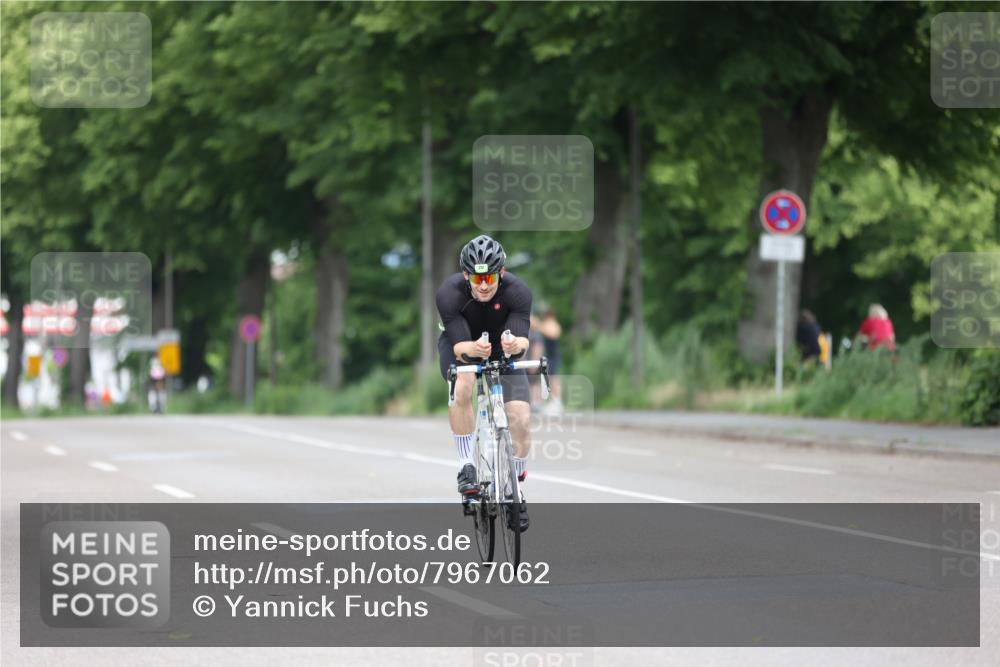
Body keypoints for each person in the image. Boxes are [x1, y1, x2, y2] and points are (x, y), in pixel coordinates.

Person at [436, 234, 532, 532]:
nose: (484, 285)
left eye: (489, 277)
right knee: (463, 384)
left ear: (501, 272)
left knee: (521, 418)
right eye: (477, 278)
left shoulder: (518, 292)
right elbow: (459, 348)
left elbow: (524, 341)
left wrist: (515, 344)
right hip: (463, 345)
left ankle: (514, 489)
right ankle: (467, 466)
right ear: (466, 276)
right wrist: (474, 349)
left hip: (503, 349)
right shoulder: (449, 293)